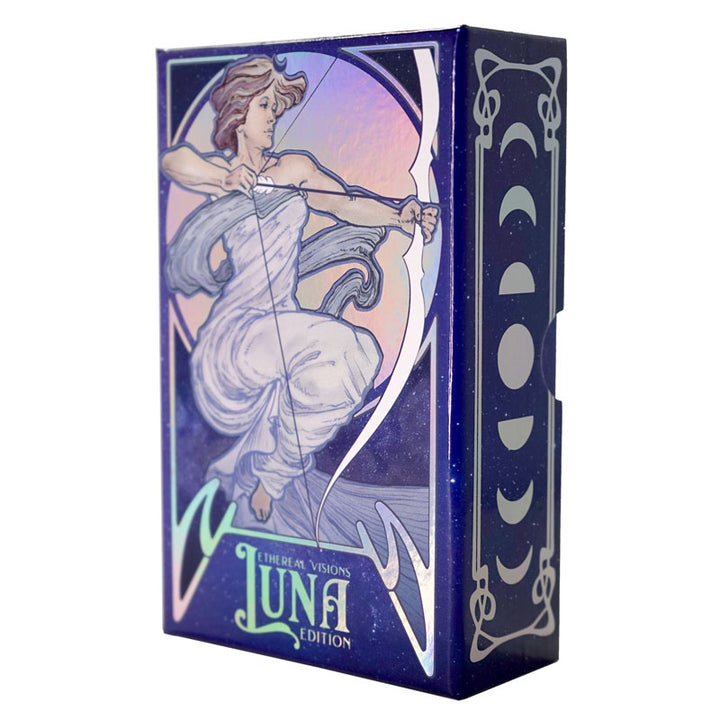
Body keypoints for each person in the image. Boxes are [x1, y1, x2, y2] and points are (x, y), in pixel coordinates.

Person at [162, 55, 437, 526]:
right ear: (238, 115)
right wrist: (222, 178)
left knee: (361, 354)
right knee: (343, 348)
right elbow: (173, 161)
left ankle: (274, 474)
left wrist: (399, 215)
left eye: (276, 107)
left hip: (280, 327)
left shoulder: (295, 169)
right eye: (264, 106)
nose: (273, 116)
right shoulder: (223, 176)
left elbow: (347, 204)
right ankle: (271, 474)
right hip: (236, 337)